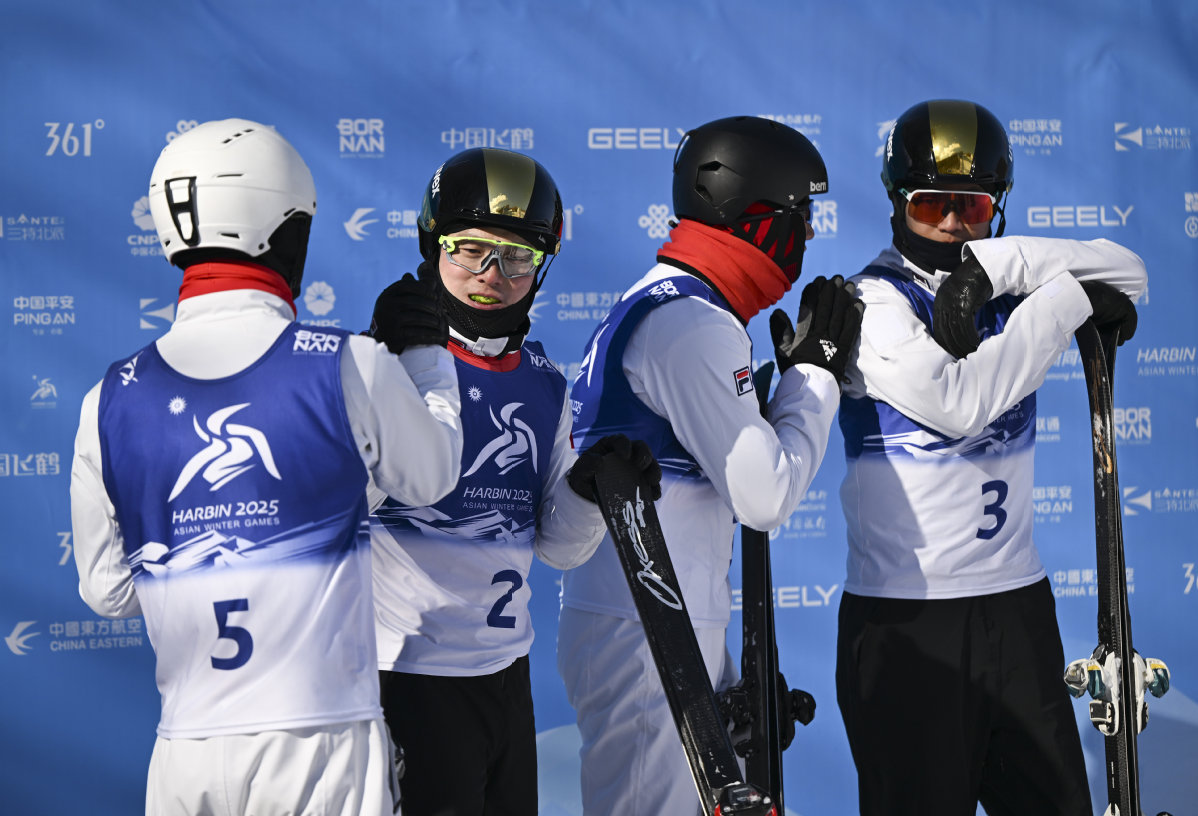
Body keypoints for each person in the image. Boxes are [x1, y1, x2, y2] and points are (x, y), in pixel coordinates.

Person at [69, 118, 464, 816]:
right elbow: (430, 477)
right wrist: (427, 360)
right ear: (285, 233)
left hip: (185, 750)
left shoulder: (108, 397)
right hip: (321, 740)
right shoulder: (349, 362)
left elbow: (108, 592)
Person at [835, 98, 1147, 816]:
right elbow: (960, 403)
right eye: (931, 203)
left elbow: (1130, 269)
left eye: (972, 204)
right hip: (911, 624)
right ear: (896, 202)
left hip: (1017, 610)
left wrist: (998, 269)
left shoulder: (1003, 279)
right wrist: (1066, 301)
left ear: (996, 207)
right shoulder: (870, 303)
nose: (952, 222)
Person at [558, 115, 864, 815]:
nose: (809, 237)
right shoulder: (693, 323)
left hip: (652, 617)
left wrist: (733, 681)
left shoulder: (665, 305)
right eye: (801, 216)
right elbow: (765, 495)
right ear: (756, 217)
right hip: (648, 630)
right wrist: (813, 378)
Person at [367, 147, 658, 816]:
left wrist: (591, 490)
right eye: (470, 250)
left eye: (518, 258)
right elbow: (343, 506)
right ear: (431, 243)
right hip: (409, 675)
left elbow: (558, 546)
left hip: (504, 674)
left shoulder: (544, 384)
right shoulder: (379, 361)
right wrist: (383, 371)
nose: (492, 276)